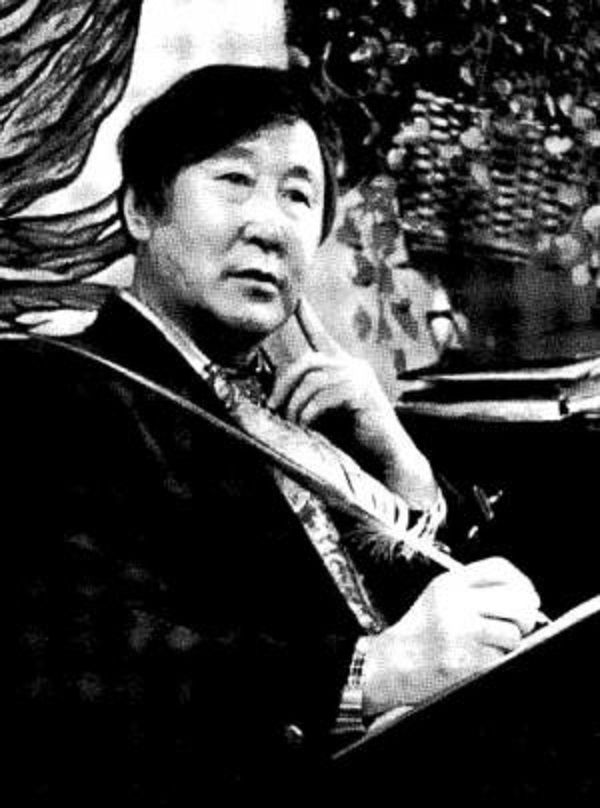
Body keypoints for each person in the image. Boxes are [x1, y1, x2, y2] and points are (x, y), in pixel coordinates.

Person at [10, 64, 542, 805]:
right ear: (141, 210)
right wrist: (369, 673)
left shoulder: (310, 410)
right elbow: (79, 656)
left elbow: (463, 610)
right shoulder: (50, 388)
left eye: (298, 195)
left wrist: (401, 461)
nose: (269, 225)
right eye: (234, 181)